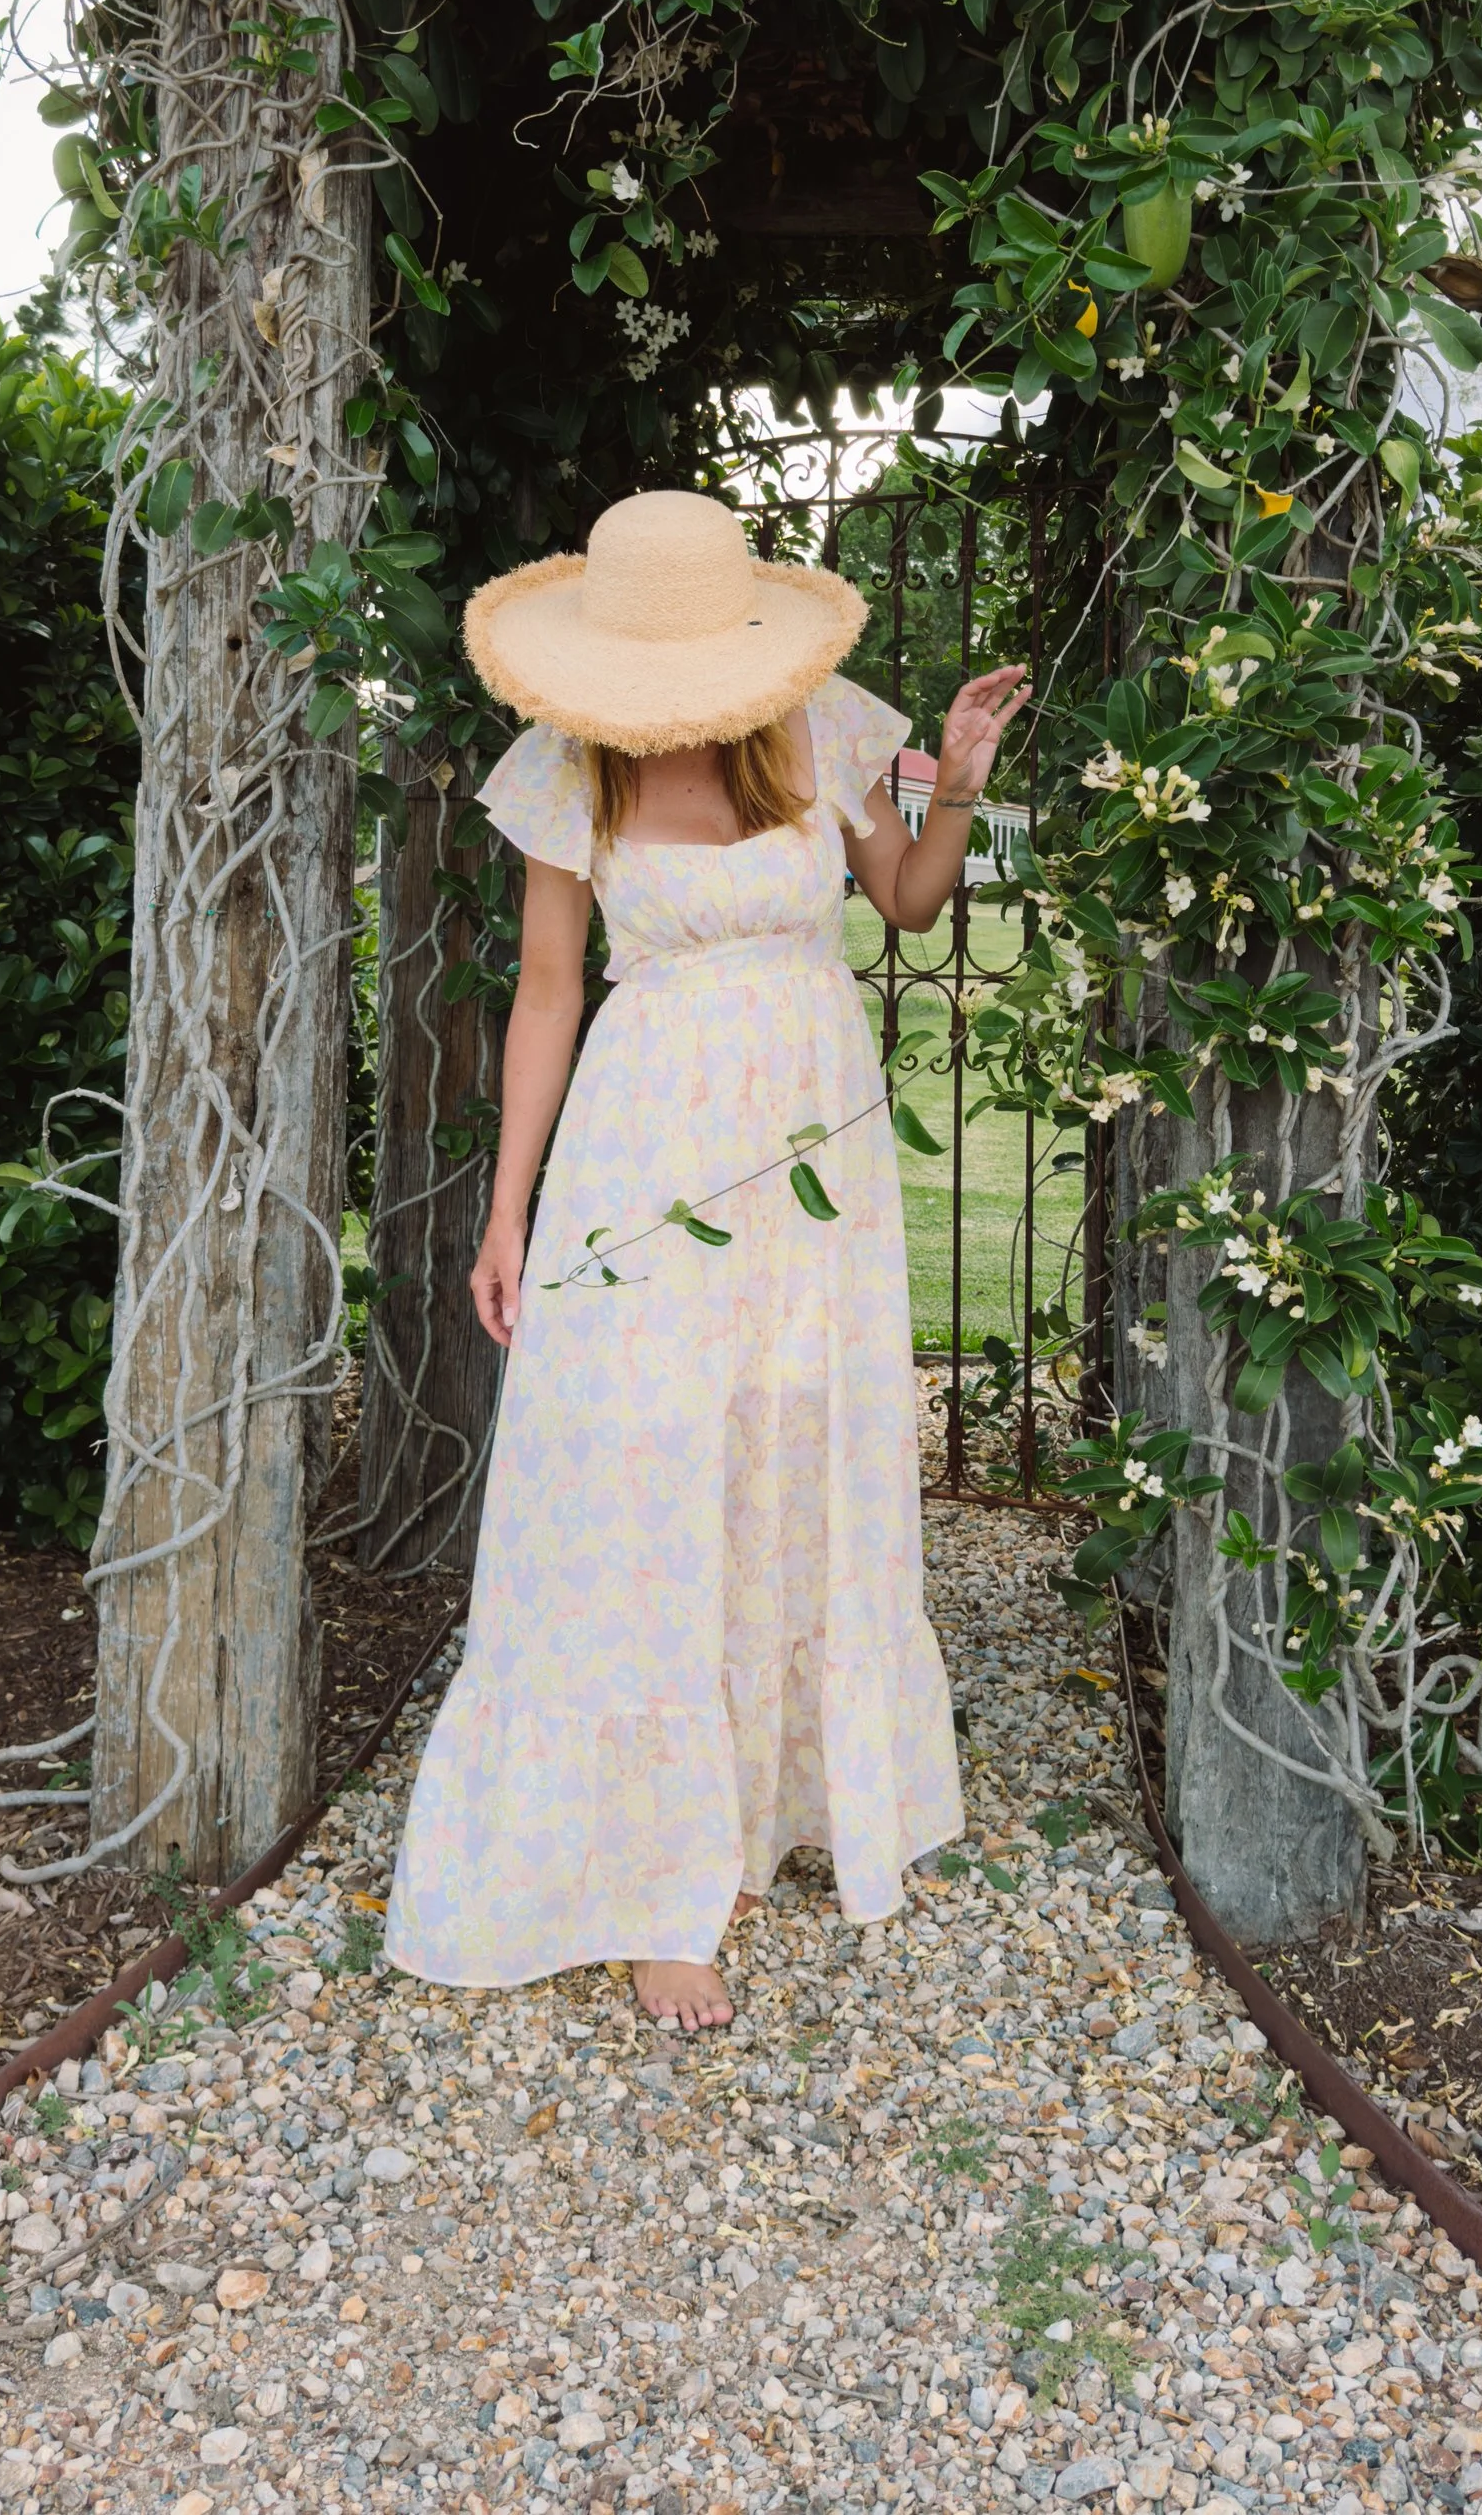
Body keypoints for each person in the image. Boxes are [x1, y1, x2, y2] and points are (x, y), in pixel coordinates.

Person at [382, 489, 1030, 2029]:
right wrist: (509, 1207)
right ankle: (655, 1866)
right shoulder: (568, 761)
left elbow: (910, 904)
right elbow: (547, 994)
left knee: (788, 1438)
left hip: (815, 1147)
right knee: (637, 1463)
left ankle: (775, 1802)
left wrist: (959, 783)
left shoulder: (826, 726)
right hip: (645, 1142)